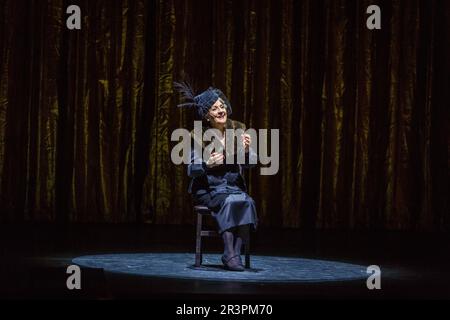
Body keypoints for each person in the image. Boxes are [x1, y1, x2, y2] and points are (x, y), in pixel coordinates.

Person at [174, 81, 258, 271]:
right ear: (206, 115)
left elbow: (251, 163)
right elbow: (191, 170)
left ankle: (232, 254)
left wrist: (246, 150)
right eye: (214, 108)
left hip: (233, 186)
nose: (221, 110)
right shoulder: (197, 135)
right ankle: (230, 253)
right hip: (207, 188)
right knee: (230, 201)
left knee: (246, 201)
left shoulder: (238, 129)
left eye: (222, 106)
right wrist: (206, 164)